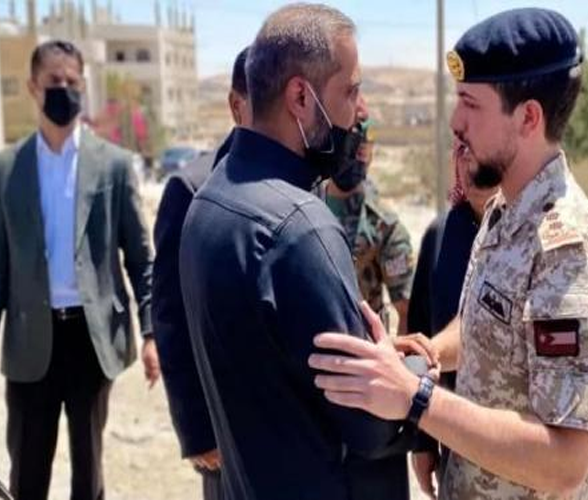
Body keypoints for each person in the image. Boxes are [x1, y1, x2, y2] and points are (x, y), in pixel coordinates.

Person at [308, 8, 588, 500]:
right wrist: (431, 351)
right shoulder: (507, 210)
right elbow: (495, 318)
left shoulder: (567, 251)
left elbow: (564, 462)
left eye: (470, 104)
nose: (456, 123)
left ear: (528, 117)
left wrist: (416, 399)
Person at [178, 5, 419, 500]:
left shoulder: (209, 199)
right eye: (349, 91)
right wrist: (418, 376)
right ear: (301, 98)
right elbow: (368, 422)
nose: (357, 110)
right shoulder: (301, 227)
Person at [0, 40, 157, 500]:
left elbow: (141, 259)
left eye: (72, 81)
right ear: (32, 87)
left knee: (88, 475)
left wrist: (152, 331)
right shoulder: (7, 169)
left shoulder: (114, 165)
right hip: (30, 341)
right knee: (27, 474)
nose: (64, 89)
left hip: (90, 341)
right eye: (53, 81)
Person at [152, 46, 251, 500]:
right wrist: (196, 428)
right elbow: (169, 313)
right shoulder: (191, 188)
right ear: (236, 104)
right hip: (224, 423)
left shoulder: (305, 178)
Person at [406, 145, 497, 498]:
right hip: (453, 442)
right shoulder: (441, 235)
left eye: (477, 152)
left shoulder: (525, 234)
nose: (468, 163)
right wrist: (422, 439)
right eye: (461, 152)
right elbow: (419, 336)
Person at [322, 119, 415, 334]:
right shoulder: (305, 205)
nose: (353, 161)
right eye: (348, 151)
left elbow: (406, 311)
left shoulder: (382, 226)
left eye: (361, 153)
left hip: (362, 345)